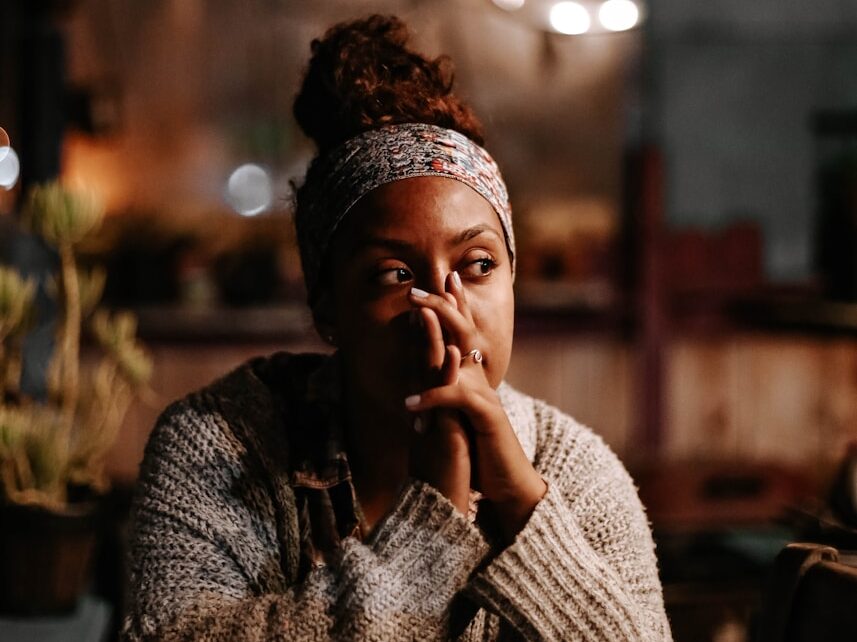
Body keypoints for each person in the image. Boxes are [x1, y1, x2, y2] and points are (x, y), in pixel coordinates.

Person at [122, 15, 671, 642]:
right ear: (327, 306)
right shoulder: (219, 447)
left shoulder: (570, 469)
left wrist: (522, 506)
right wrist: (432, 527)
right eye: (394, 273)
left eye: (479, 265)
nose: (443, 307)